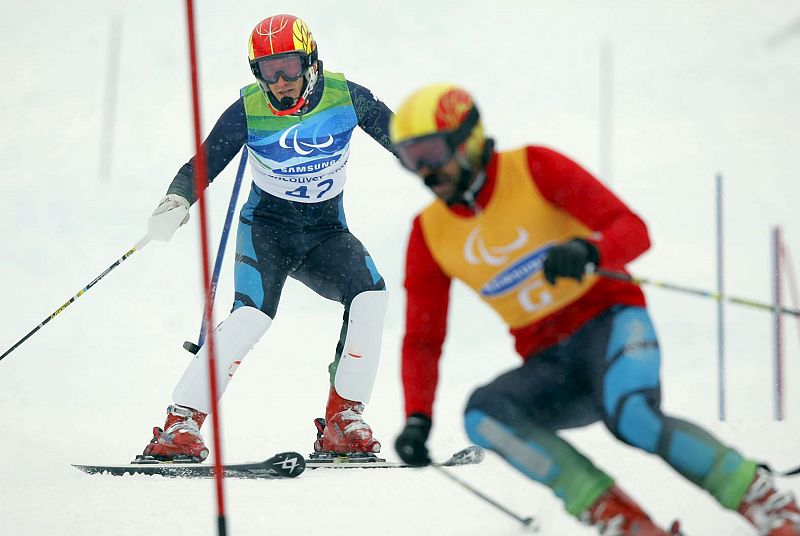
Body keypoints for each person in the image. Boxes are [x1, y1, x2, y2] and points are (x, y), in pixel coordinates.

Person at [388, 83, 800, 536]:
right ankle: (625, 522)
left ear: (468, 139)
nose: (425, 171)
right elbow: (422, 339)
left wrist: (590, 250)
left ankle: (767, 502)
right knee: (484, 415)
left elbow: (632, 229)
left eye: (431, 152)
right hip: (552, 364)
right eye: (410, 159)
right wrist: (417, 417)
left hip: (612, 323)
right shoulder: (429, 233)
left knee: (633, 417)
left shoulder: (533, 167)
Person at [142, 14, 394, 462]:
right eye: (268, 70)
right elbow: (203, 163)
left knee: (370, 296)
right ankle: (179, 424)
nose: (280, 82)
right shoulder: (249, 108)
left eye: (289, 67)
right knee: (250, 317)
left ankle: (343, 421)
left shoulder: (348, 97)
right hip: (268, 231)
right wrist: (177, 200)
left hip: (325, 233)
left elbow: (407, 141)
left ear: (311, 62)